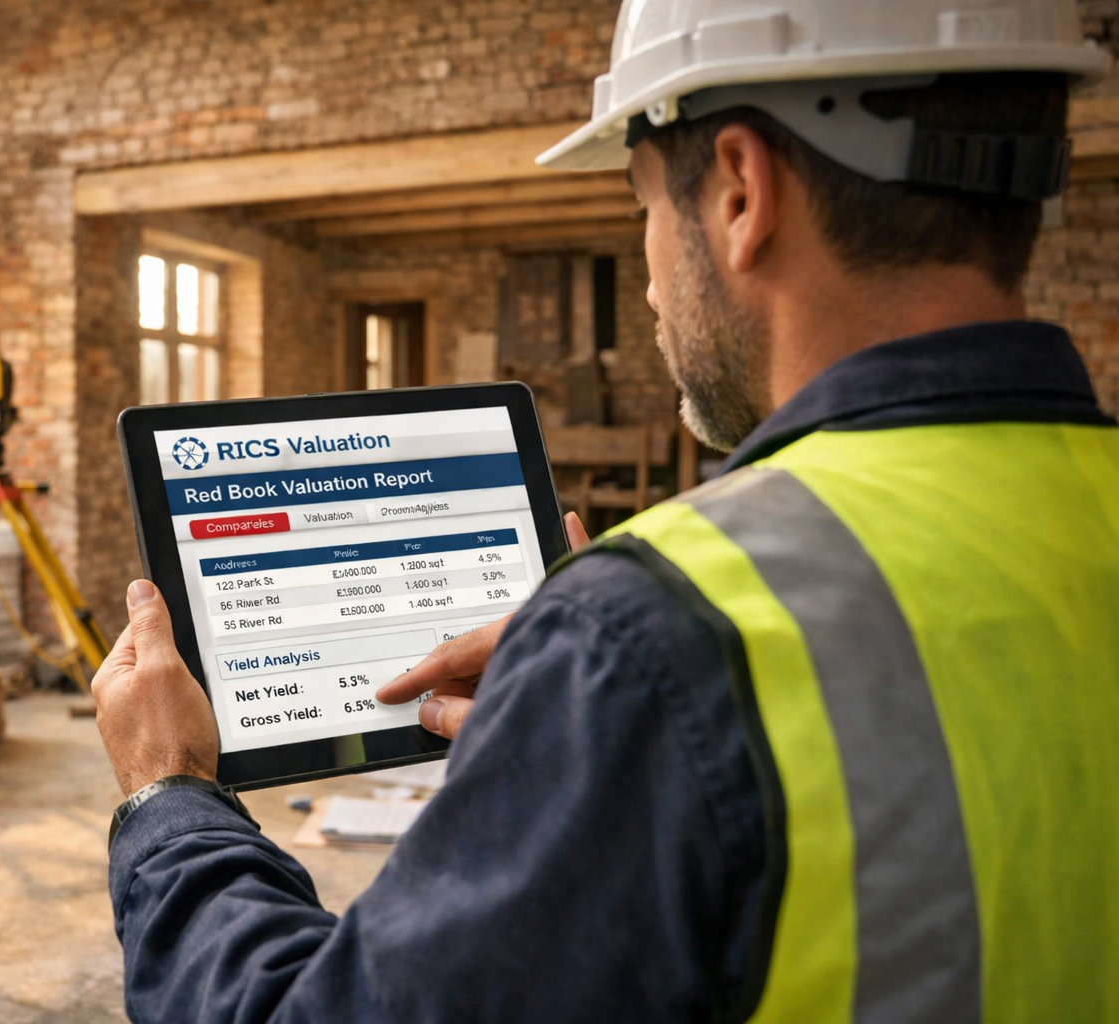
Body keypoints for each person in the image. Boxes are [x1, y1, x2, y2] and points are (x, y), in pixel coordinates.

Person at [91, 1, 1119, 1020]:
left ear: (739, 191)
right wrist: (579, 749)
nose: (655, 290)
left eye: (642, 205)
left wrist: (168, 791)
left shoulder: (657, 627)